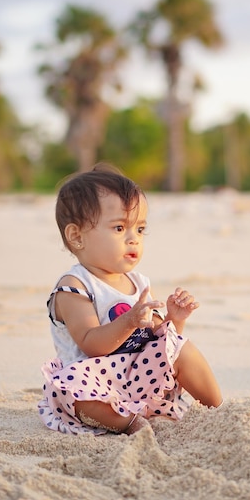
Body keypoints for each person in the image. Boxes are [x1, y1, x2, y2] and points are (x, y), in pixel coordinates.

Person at [38, 163, 223, 435]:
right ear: (77, 237)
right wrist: (130, 321)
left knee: (182, 347)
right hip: (96, 383)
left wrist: (175, 320)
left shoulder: (139, 283)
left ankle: (218, 410)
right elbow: (91, 344)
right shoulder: (74, 287)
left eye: (140, 229)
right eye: (119, 228)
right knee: (72, 391)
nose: (133, 239)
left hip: (139, 379)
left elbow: (160, 342)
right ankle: (127, 422)